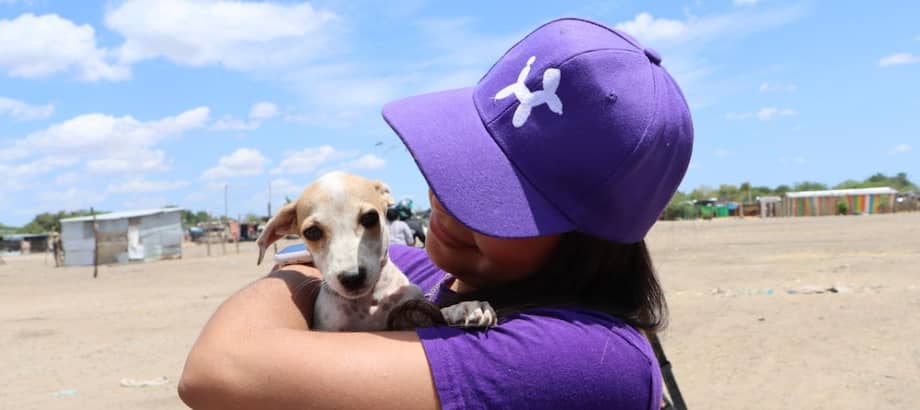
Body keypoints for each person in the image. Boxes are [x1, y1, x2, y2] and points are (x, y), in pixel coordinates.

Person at [179, 17, 692, 410]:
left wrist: (296, 270)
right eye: (457, 168)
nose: (447, 200)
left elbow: (219, 369)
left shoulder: (587, 358)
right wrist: (303, 252)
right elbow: (321, 255)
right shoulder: (440, 272)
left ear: (587, 239)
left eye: (497, 200)